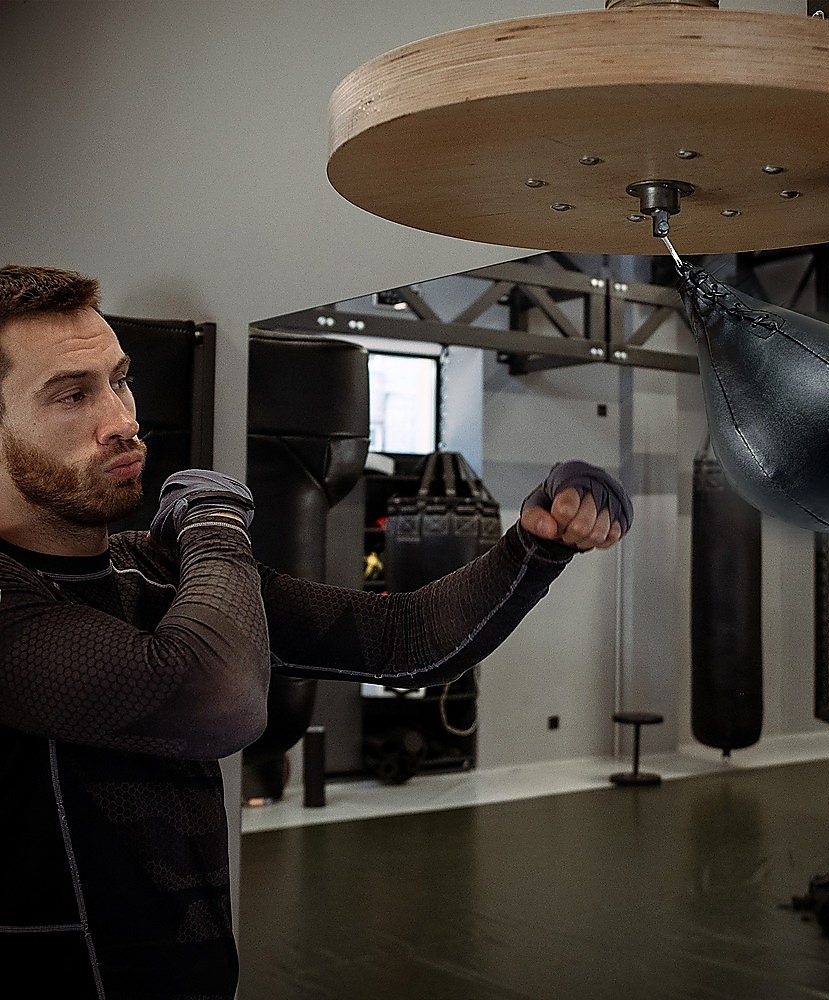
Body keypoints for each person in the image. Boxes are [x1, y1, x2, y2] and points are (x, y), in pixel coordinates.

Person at [0, 264, 633, 1000]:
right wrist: (213, 522)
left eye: (120, 381)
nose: (122, 419)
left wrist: (535, 542)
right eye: (73, 394)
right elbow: (213, 701)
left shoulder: (153, 569)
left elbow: (407, 639)